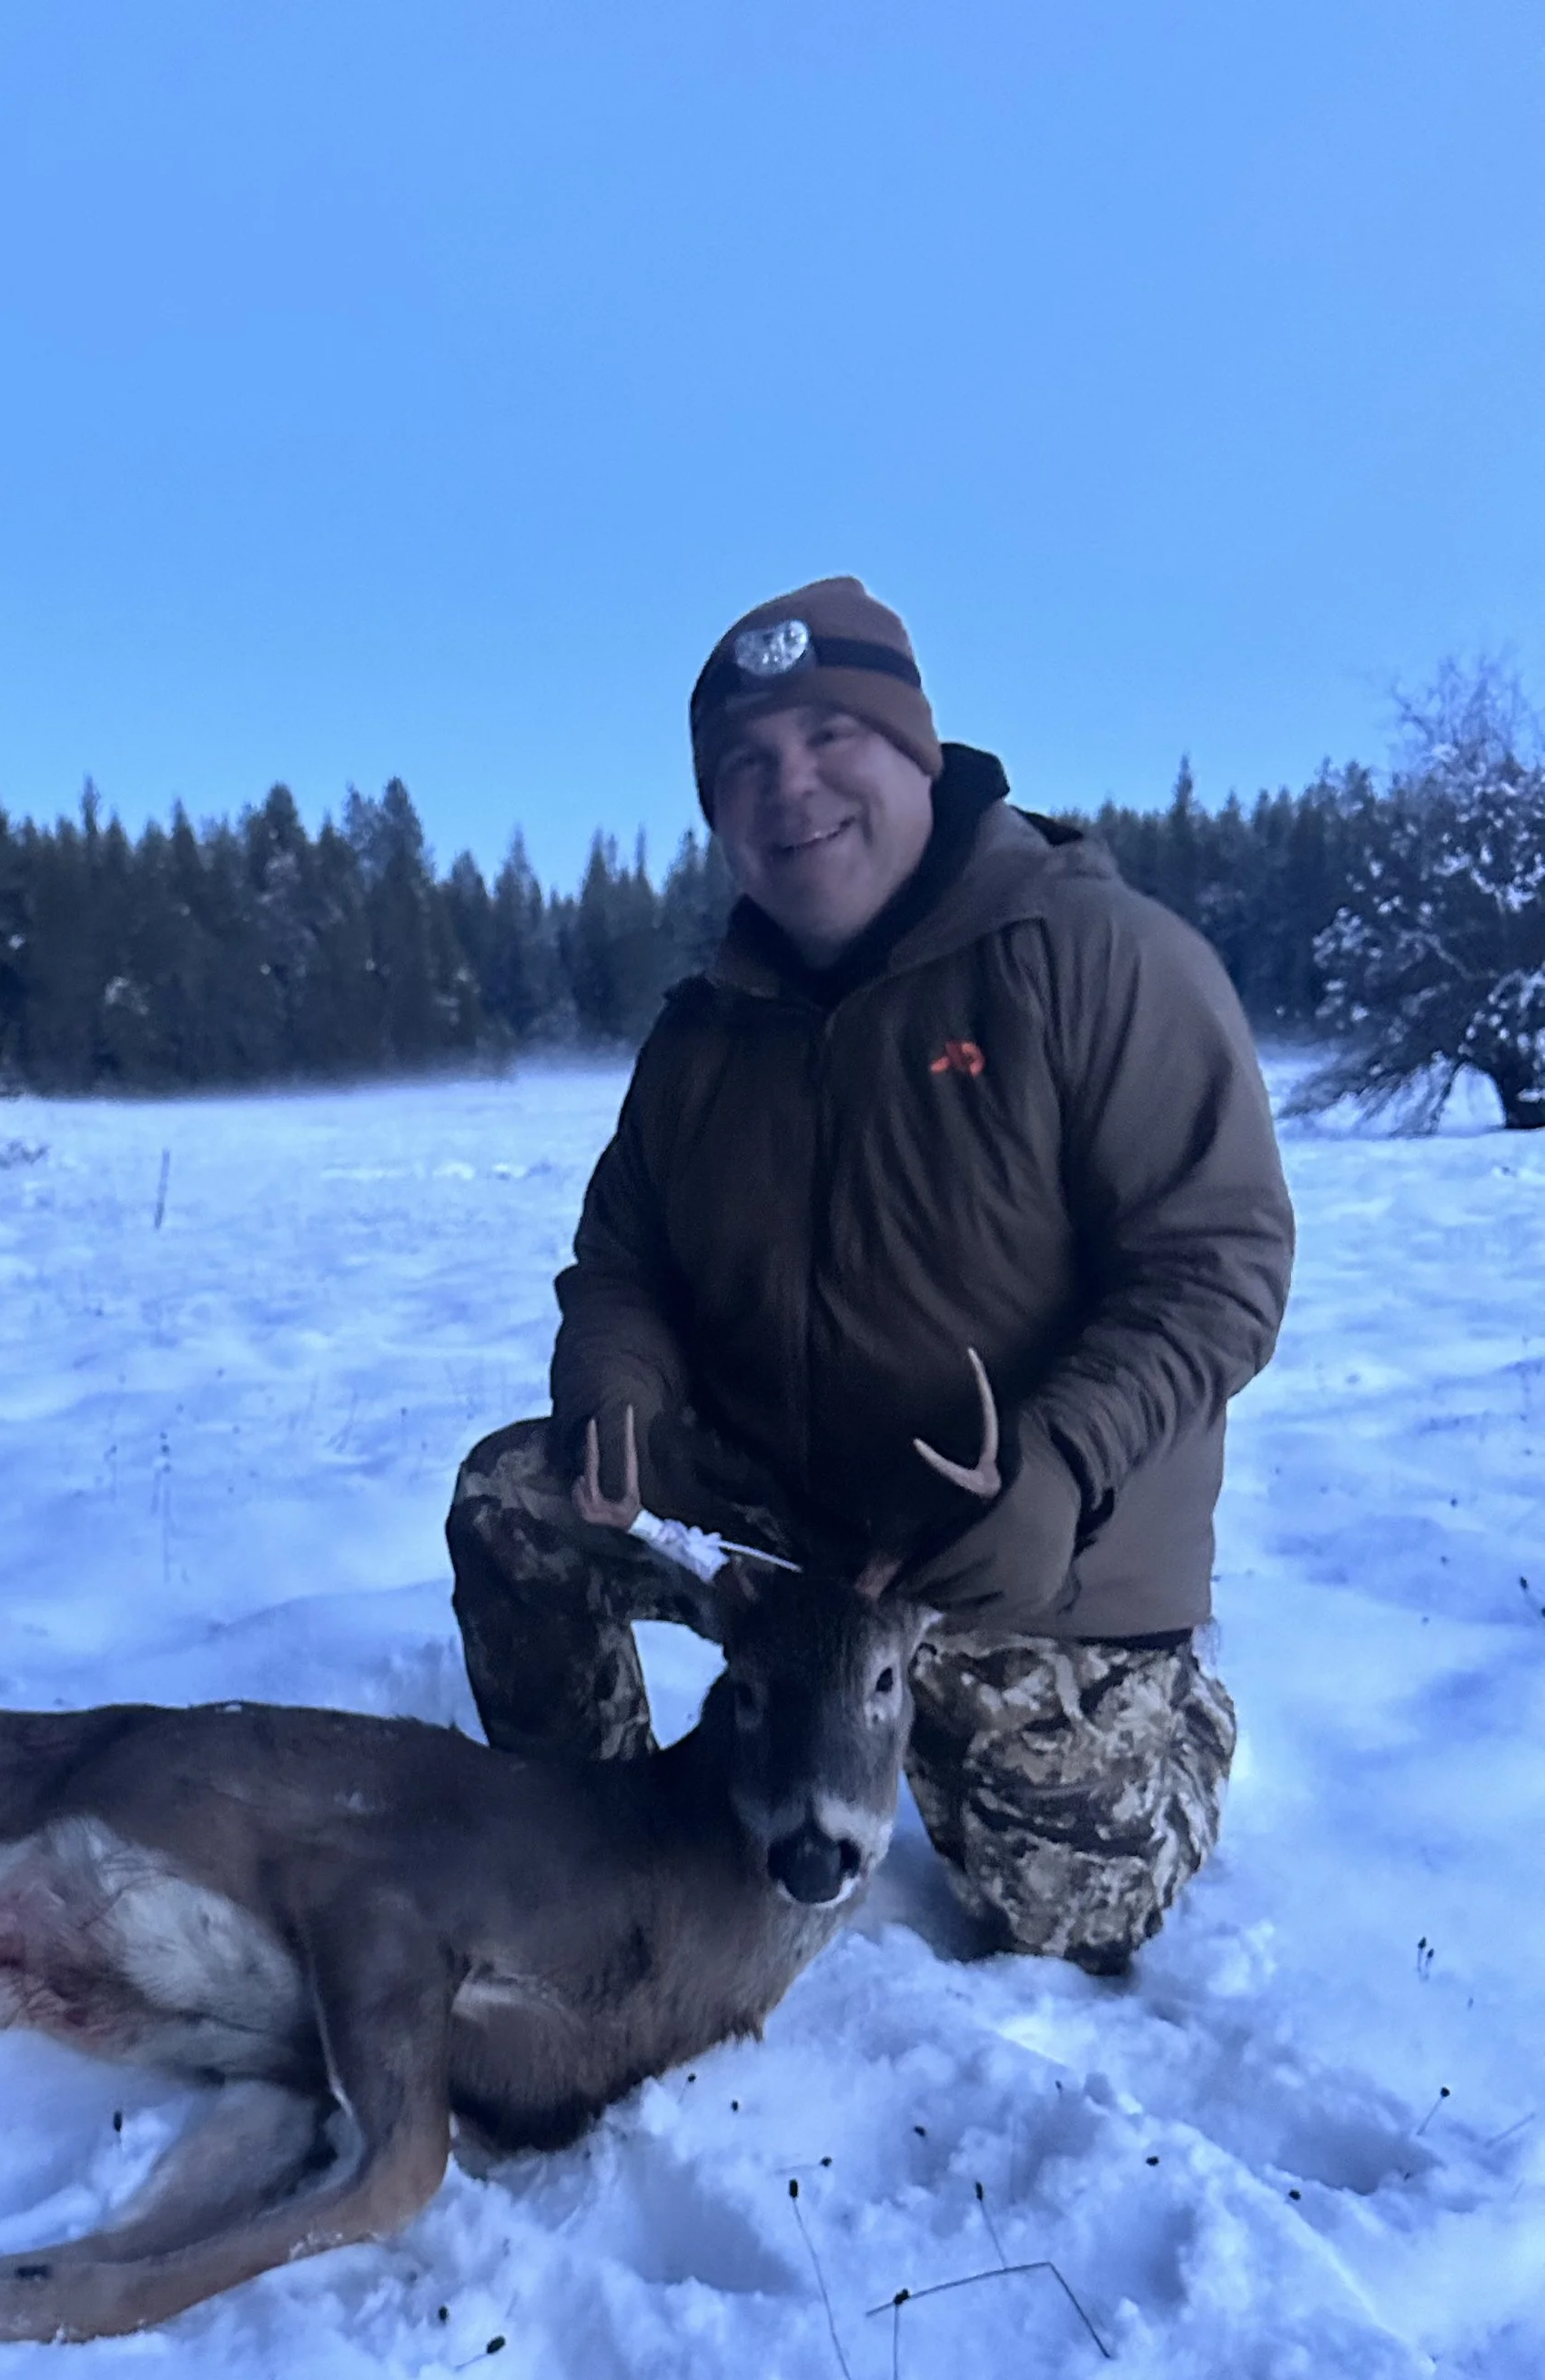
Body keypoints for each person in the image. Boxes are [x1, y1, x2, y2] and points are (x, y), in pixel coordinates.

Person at [447, 577, 1295, 1975]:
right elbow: (622, 1263)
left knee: (1065, 1913)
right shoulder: (704, 1037)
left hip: (1019, 1538)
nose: (792, 788)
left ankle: (1167, 1716)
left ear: (917, 749)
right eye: (745, 765)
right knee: (514, 1501)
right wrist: (617, 1384)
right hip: (777, 1527)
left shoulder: (1098, 959)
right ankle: (591, 1830)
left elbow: (1219, 1266)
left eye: (832, 735)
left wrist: (1060, 1464)